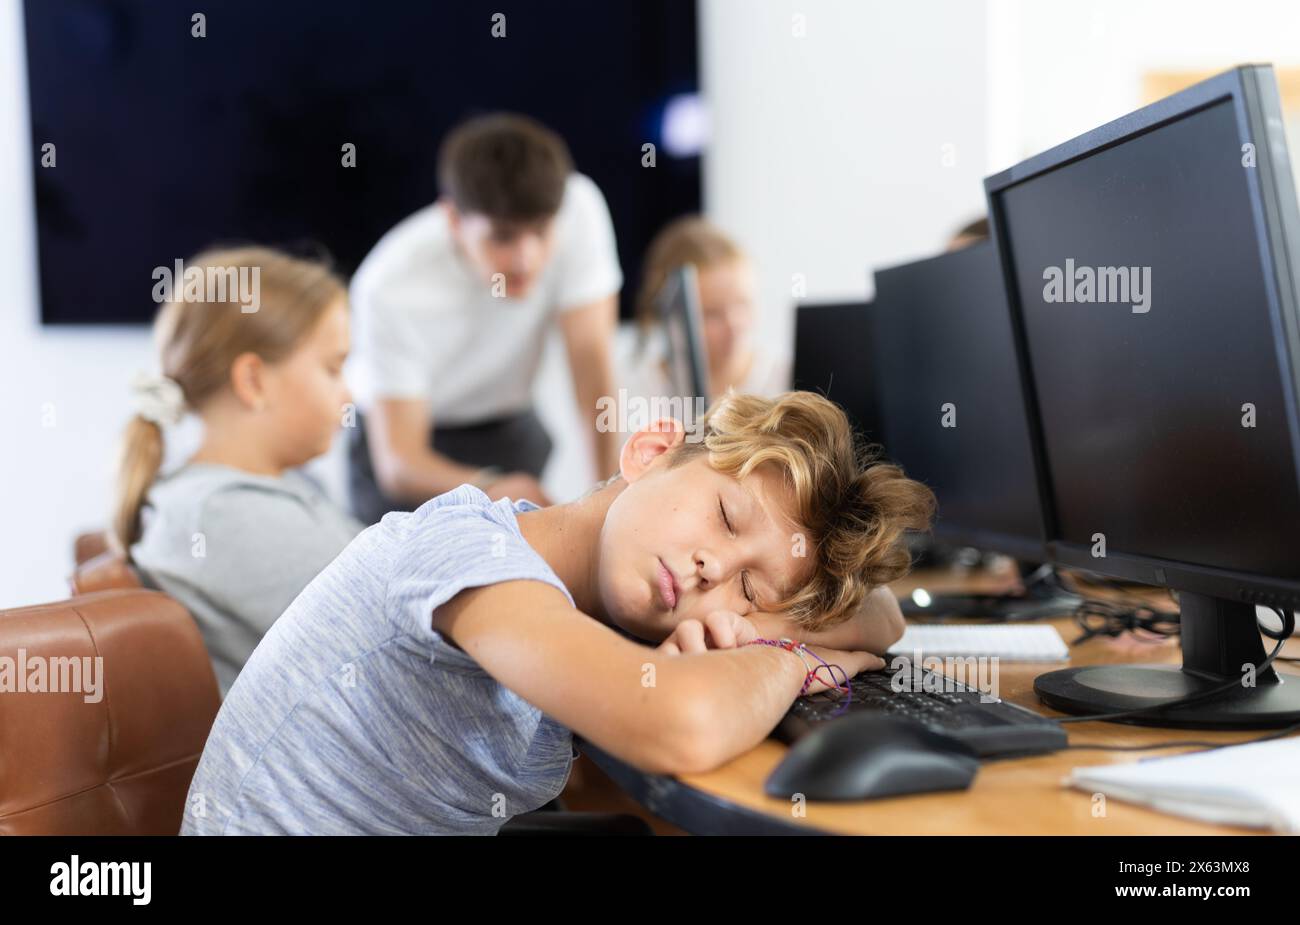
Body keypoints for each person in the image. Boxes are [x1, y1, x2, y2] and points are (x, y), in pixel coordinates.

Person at [181, 390, 935, 834]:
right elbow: (683, 722)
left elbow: (882, 618)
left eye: (748, 589)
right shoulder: (467, 550)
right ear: (648, 450)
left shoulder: (600, 609)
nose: (713, 570)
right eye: (728, 519)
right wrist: (789, 654)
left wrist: (762, 622)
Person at [346, 112, 624, 524]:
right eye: (503, 238)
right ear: (454, 220)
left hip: (509, 426)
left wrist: (609, 501)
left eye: (542, 232)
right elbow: (399, 463)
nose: (526, 259)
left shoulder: (577, 207)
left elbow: (591, 367)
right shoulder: (390, 284)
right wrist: (491, 486)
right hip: (415, 451)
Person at [113, 246, 364, 696]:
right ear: (253, 381)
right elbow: (397, 622)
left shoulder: (278, 488)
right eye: (333, 368)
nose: (349, 396)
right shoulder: (222, 514)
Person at [624, 215, 789, 412]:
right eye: (711, 313)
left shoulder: (787, 380)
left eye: (743, 304)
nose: (734, 324)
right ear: (672, 318)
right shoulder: (636, 392)